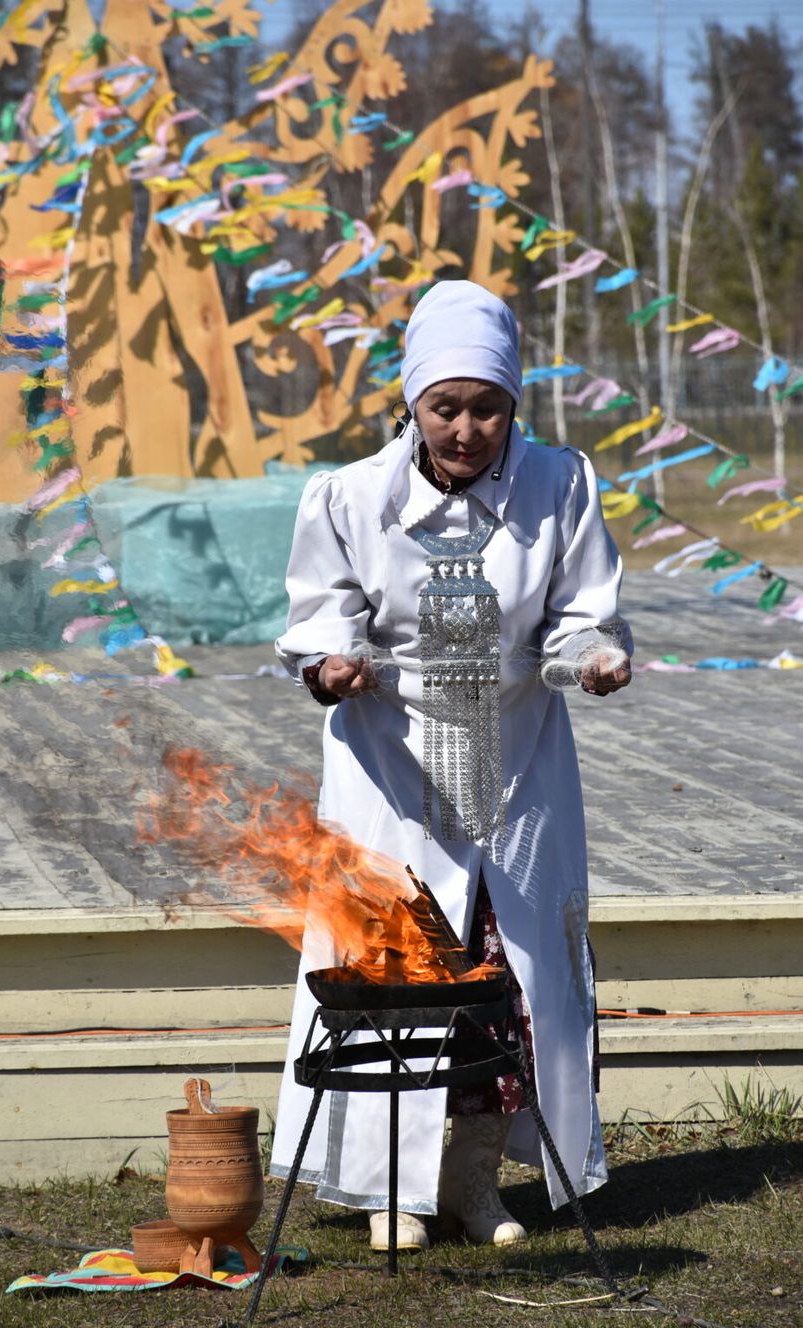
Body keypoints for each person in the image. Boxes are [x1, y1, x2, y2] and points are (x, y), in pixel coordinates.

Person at [270, 279, 632, 1252]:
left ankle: (474, 1184)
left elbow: (583, 604)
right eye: (446, 407)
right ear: (412, 404)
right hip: (389, 769)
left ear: (513, 403)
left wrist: (592, 654)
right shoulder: (348, 494)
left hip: (516, 766)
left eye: (486, 406)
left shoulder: (560, 482)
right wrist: (333, 661)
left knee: (500, 980)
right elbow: (320, 607)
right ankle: (391, 1186)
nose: (466, 428)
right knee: (395, 974)